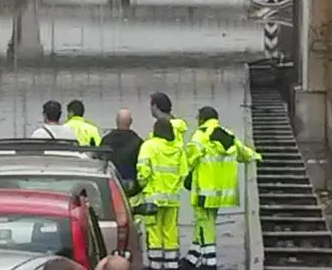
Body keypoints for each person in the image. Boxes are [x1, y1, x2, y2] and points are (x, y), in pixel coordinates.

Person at [179, 107, 262, 270]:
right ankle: (192, 257)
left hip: (203, 190)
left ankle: (210, 263)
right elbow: (243, 152)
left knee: (205, 224)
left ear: (202, 119)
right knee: (202, 223)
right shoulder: (228, 135)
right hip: (220, 193)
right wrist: (257, 157)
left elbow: (191, 159)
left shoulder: (200, 135)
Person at [138, 118, 186, 270]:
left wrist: (141, 185)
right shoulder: (178, 148)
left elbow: (143, 172)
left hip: (153, 198)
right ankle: (171, 265)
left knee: (154, 232)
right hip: (172, 199)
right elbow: (184, 173)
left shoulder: (148, 146)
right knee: (170, 232)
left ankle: (156, 265)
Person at [101, 109, 142, 186]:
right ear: (131, 121)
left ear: (116, 121)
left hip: (110, 184)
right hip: (131, 186)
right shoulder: (138, 142)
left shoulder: (106, 140)